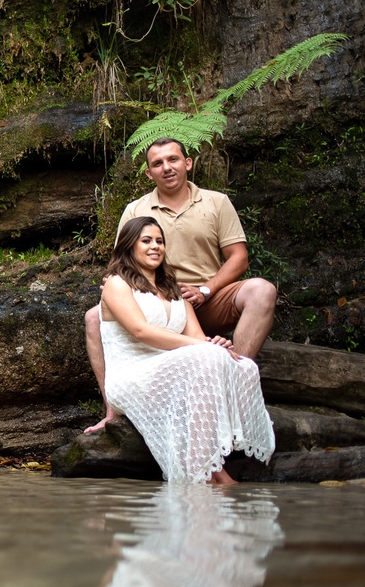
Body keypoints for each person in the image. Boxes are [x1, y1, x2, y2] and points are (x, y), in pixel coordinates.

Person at [85, 138, 277, 432]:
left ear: (188, 163)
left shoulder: (216, 202)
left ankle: (233, 383)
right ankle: (113, 409)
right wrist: (115, 289)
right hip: (158, 303)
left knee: (262, 289)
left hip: (209, 298)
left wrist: (205, 290)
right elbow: (120, 262)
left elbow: (238, 258)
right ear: (149, 173)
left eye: (173, 160)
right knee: (93, 317)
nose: (167, 168)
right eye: (158, 163)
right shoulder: (136, 209)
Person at [99, 216, 274, 484]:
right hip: (130, 374)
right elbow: (140, 331)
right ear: (129, 246)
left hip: (166, 368)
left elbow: (196, 336)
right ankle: (204, 470)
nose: (155, 246)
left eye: (159, 241)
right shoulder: (116, 283)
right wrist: (202, 347)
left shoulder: (172, 288)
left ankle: (211, 468)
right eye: (146, 241)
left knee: (240, 363)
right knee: (205, 354)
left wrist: (216, 344)